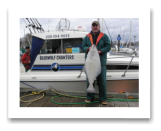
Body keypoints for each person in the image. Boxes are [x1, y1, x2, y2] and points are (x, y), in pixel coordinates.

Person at [81, 21, 111, 105]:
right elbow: (83, 46)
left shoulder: (104, 36)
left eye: (96, 26)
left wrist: (101, 51)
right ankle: (90, 97)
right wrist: (88, 48)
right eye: (93, 26)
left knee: (102, 82)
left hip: (101, 63)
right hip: (90, 63)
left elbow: (108, 46)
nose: (95, 27)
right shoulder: (87, 37)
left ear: (99, 27)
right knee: (89, 81)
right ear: (91, 27)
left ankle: (103, 98)